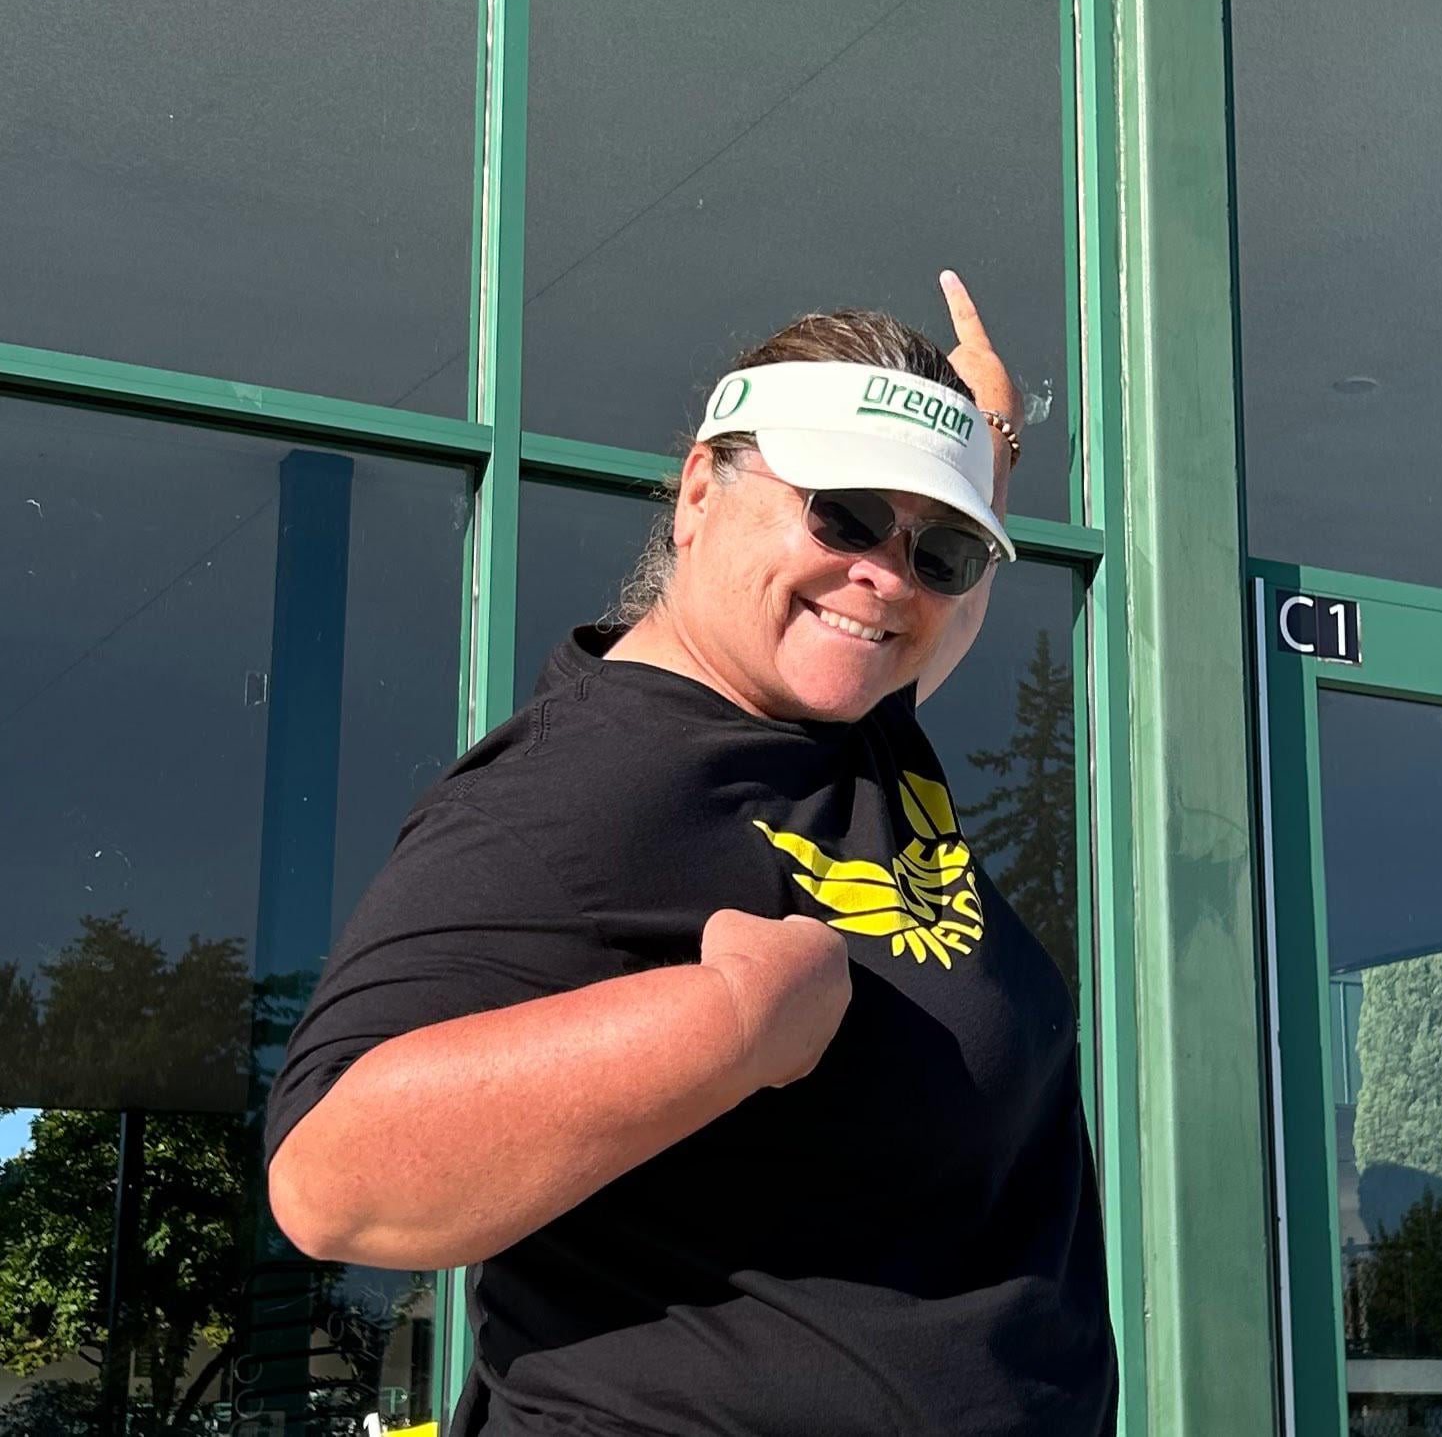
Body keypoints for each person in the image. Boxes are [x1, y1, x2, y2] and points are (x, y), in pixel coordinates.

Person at [265, 273, 1118, 1437]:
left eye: (942, 549)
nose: (885, 576)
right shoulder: (581, 787)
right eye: (844, 513)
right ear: (702, 488)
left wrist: (988, 437)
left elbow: (929, 608)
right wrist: (729, 1023)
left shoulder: (846, 714)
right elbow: (330, 1182)